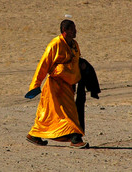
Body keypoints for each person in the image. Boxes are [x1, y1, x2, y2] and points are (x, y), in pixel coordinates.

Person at [25, 19, 91, 148]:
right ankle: (75, 139)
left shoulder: (74, 45)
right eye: (72, 29)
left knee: (48, 115)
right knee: (69, 112)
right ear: (65, 31)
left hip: (67, 85)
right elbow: (43, 65)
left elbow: (75, 60)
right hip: (55, 86)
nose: (75, 31)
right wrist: (35, 85)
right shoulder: (55, 44)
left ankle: (34, 135)